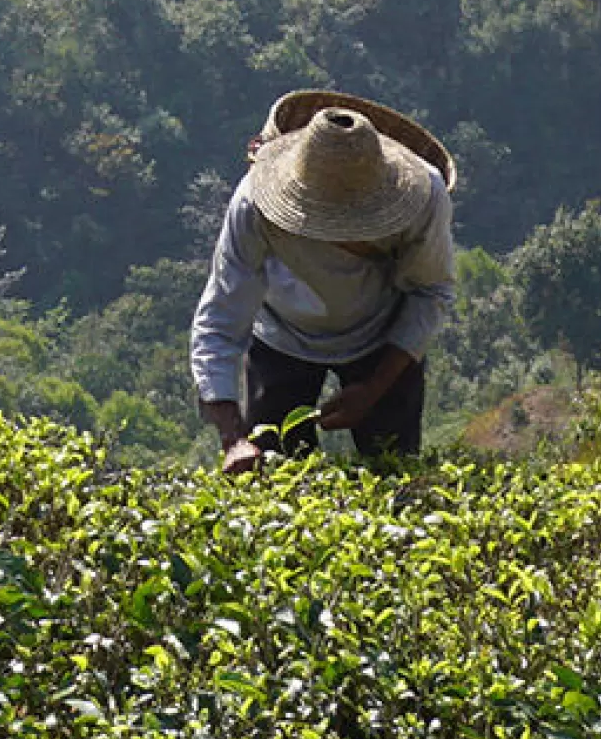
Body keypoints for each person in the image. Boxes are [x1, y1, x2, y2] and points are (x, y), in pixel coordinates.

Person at [191, 90, 456, 468]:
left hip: (381, 335)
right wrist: (233, 438)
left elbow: (430, 291)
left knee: (395, 473)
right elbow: (219, 319)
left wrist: (374, 389)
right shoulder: (254, 204)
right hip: (282, 334)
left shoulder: (424, 196)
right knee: (274, 476)